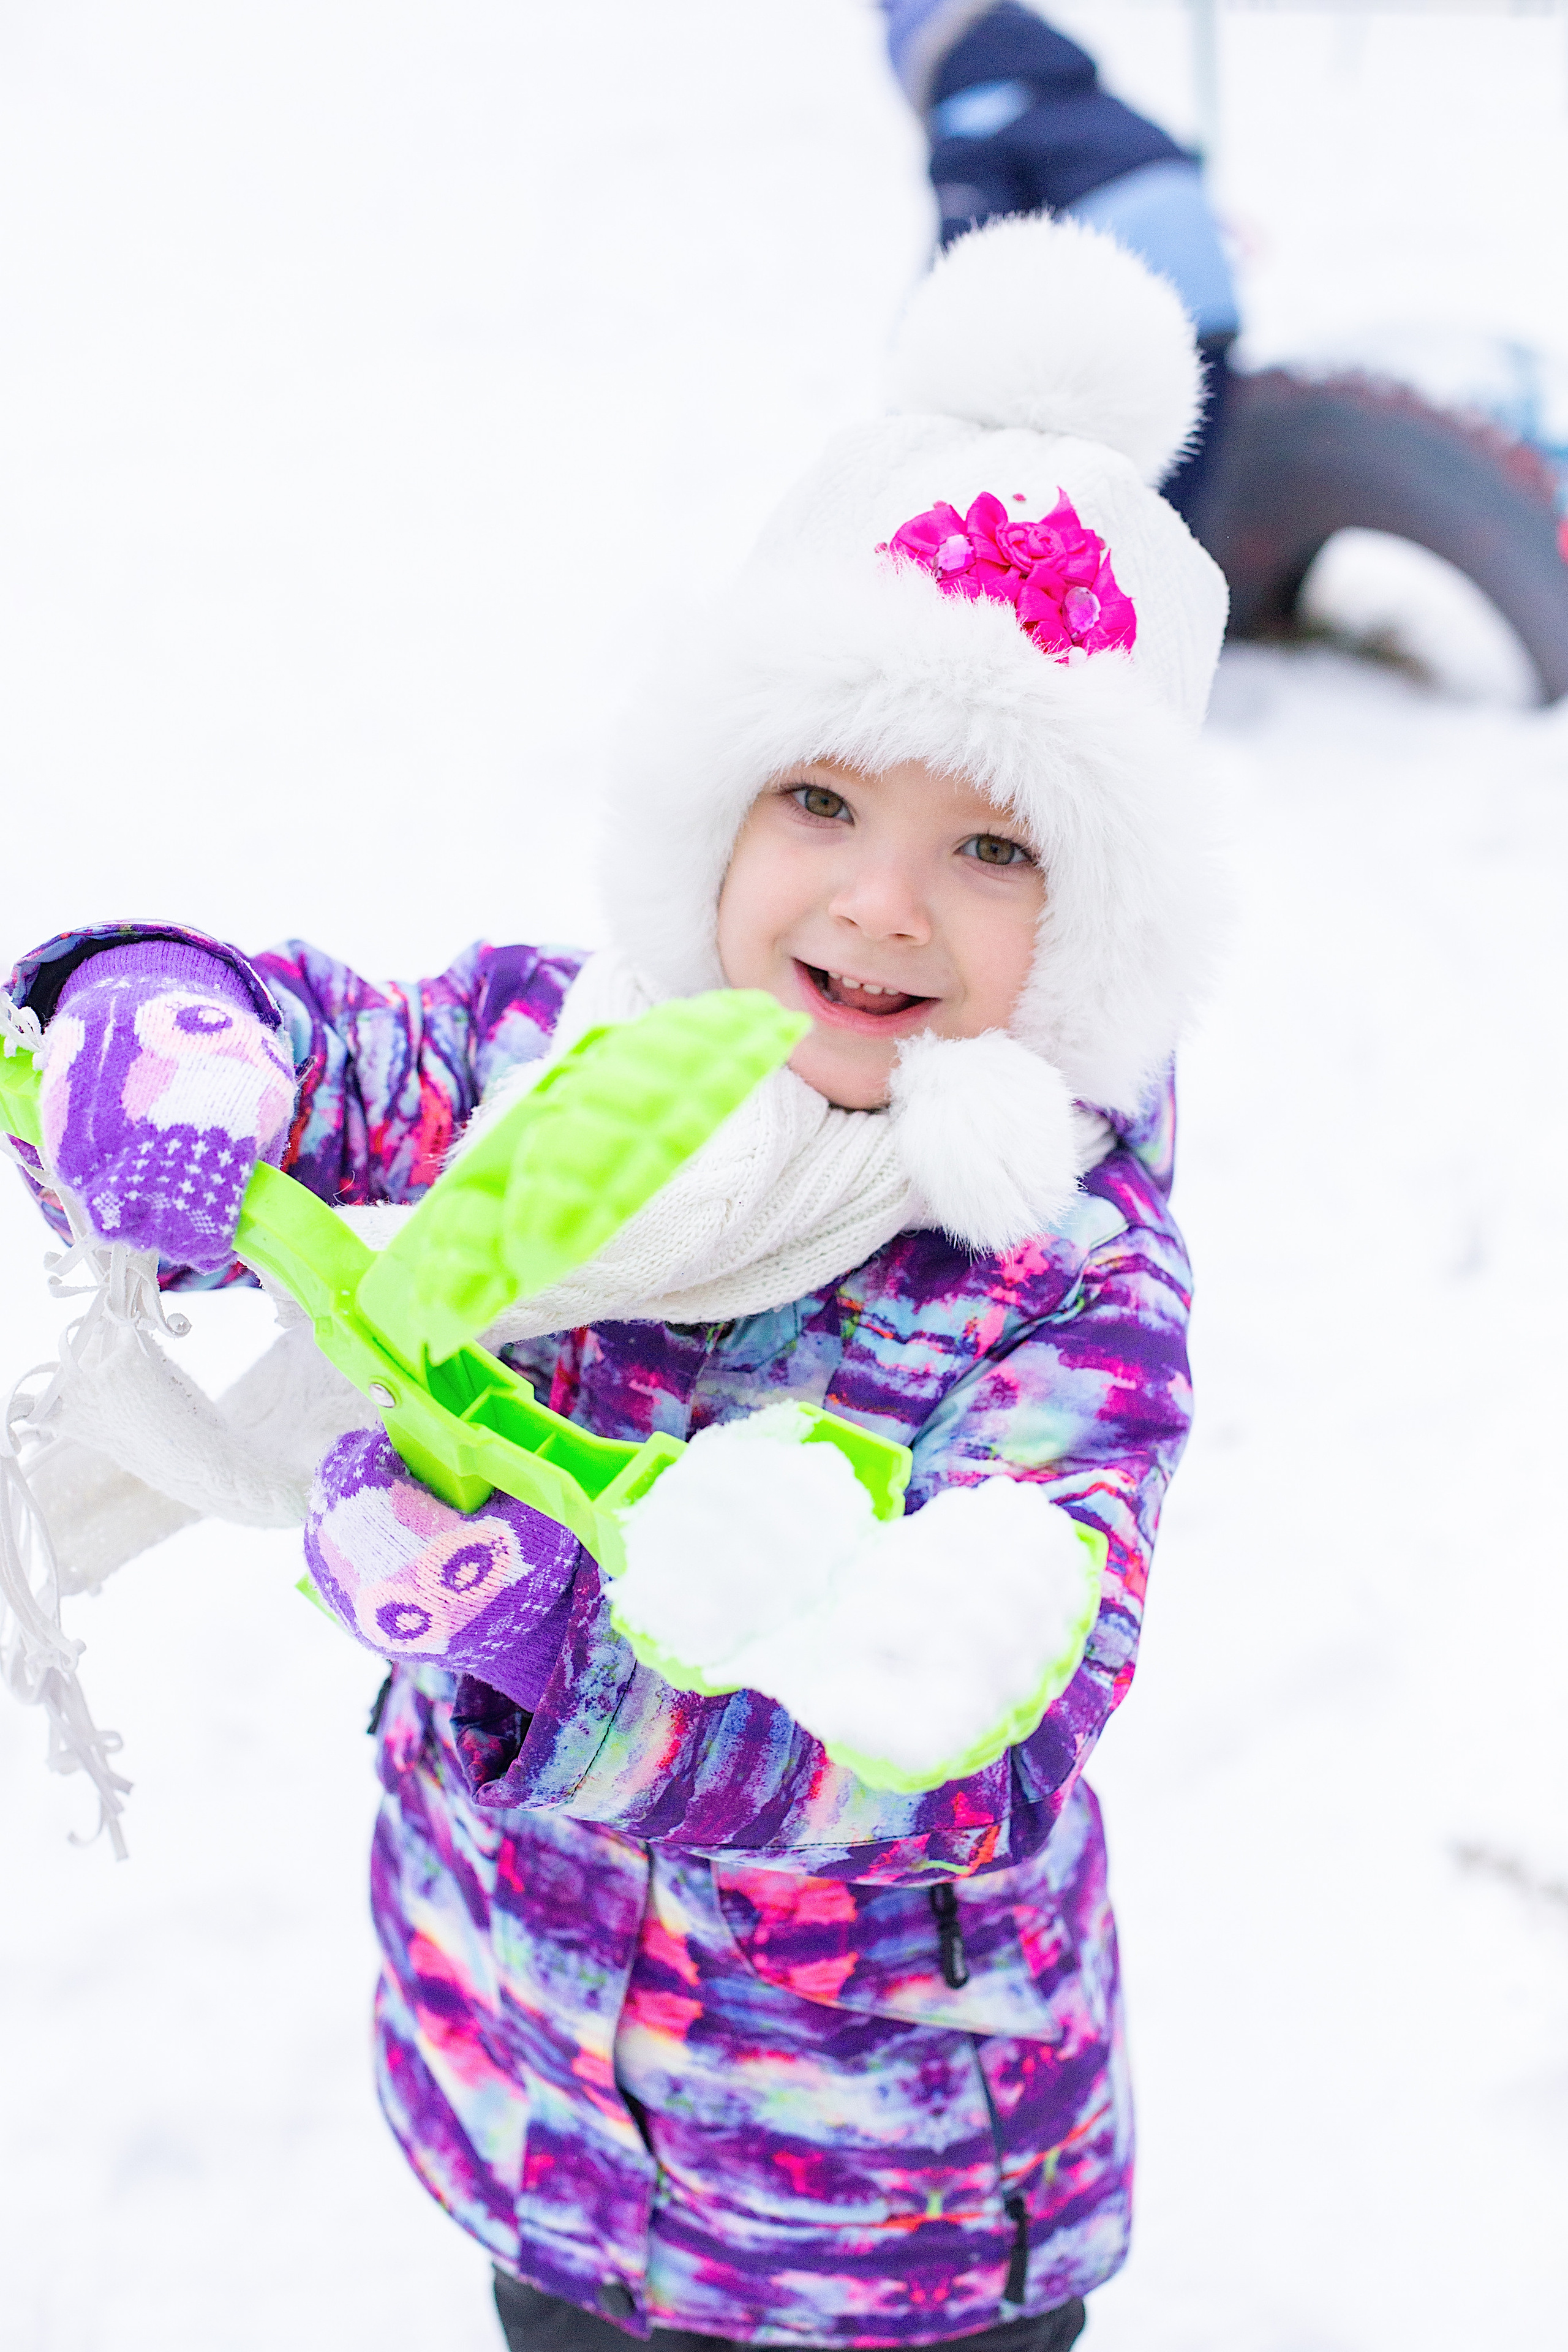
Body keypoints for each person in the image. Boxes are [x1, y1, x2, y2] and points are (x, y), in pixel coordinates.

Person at [7, 216, 1227, 2351]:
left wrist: (545, 1644)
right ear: (715, 817)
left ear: (1095, 931)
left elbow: (972, 1735)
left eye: (994, 847)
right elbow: (357, 1058)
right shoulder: (574, 1054)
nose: (881, 900)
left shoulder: (1062, 1285)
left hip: (889, 2210)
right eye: (820, 798)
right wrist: (178, 1025)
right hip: (530, 2103)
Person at [880, 2, 1239, 522]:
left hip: (1125, 330)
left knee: (1103, 521)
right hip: (1213, 307)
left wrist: (910, 387)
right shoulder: (1089, 103)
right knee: (1169, 517)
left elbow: (969, 259)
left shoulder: (973, 123)